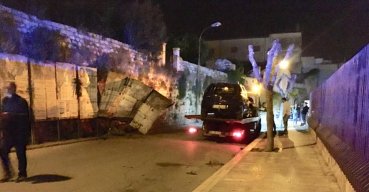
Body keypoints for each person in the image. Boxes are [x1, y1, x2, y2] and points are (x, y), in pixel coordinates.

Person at [0, 82, 30, 182]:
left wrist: (11, 115)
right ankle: (8, 173)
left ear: (14, 89)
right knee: (2, 150)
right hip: (8, 133)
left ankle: (22, 174)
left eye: (9, 88)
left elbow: (25, 118)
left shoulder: (21, 101)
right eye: (6, 88)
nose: (7, 90)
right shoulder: (4, 101)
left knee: (20, 153)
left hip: (19, 132)